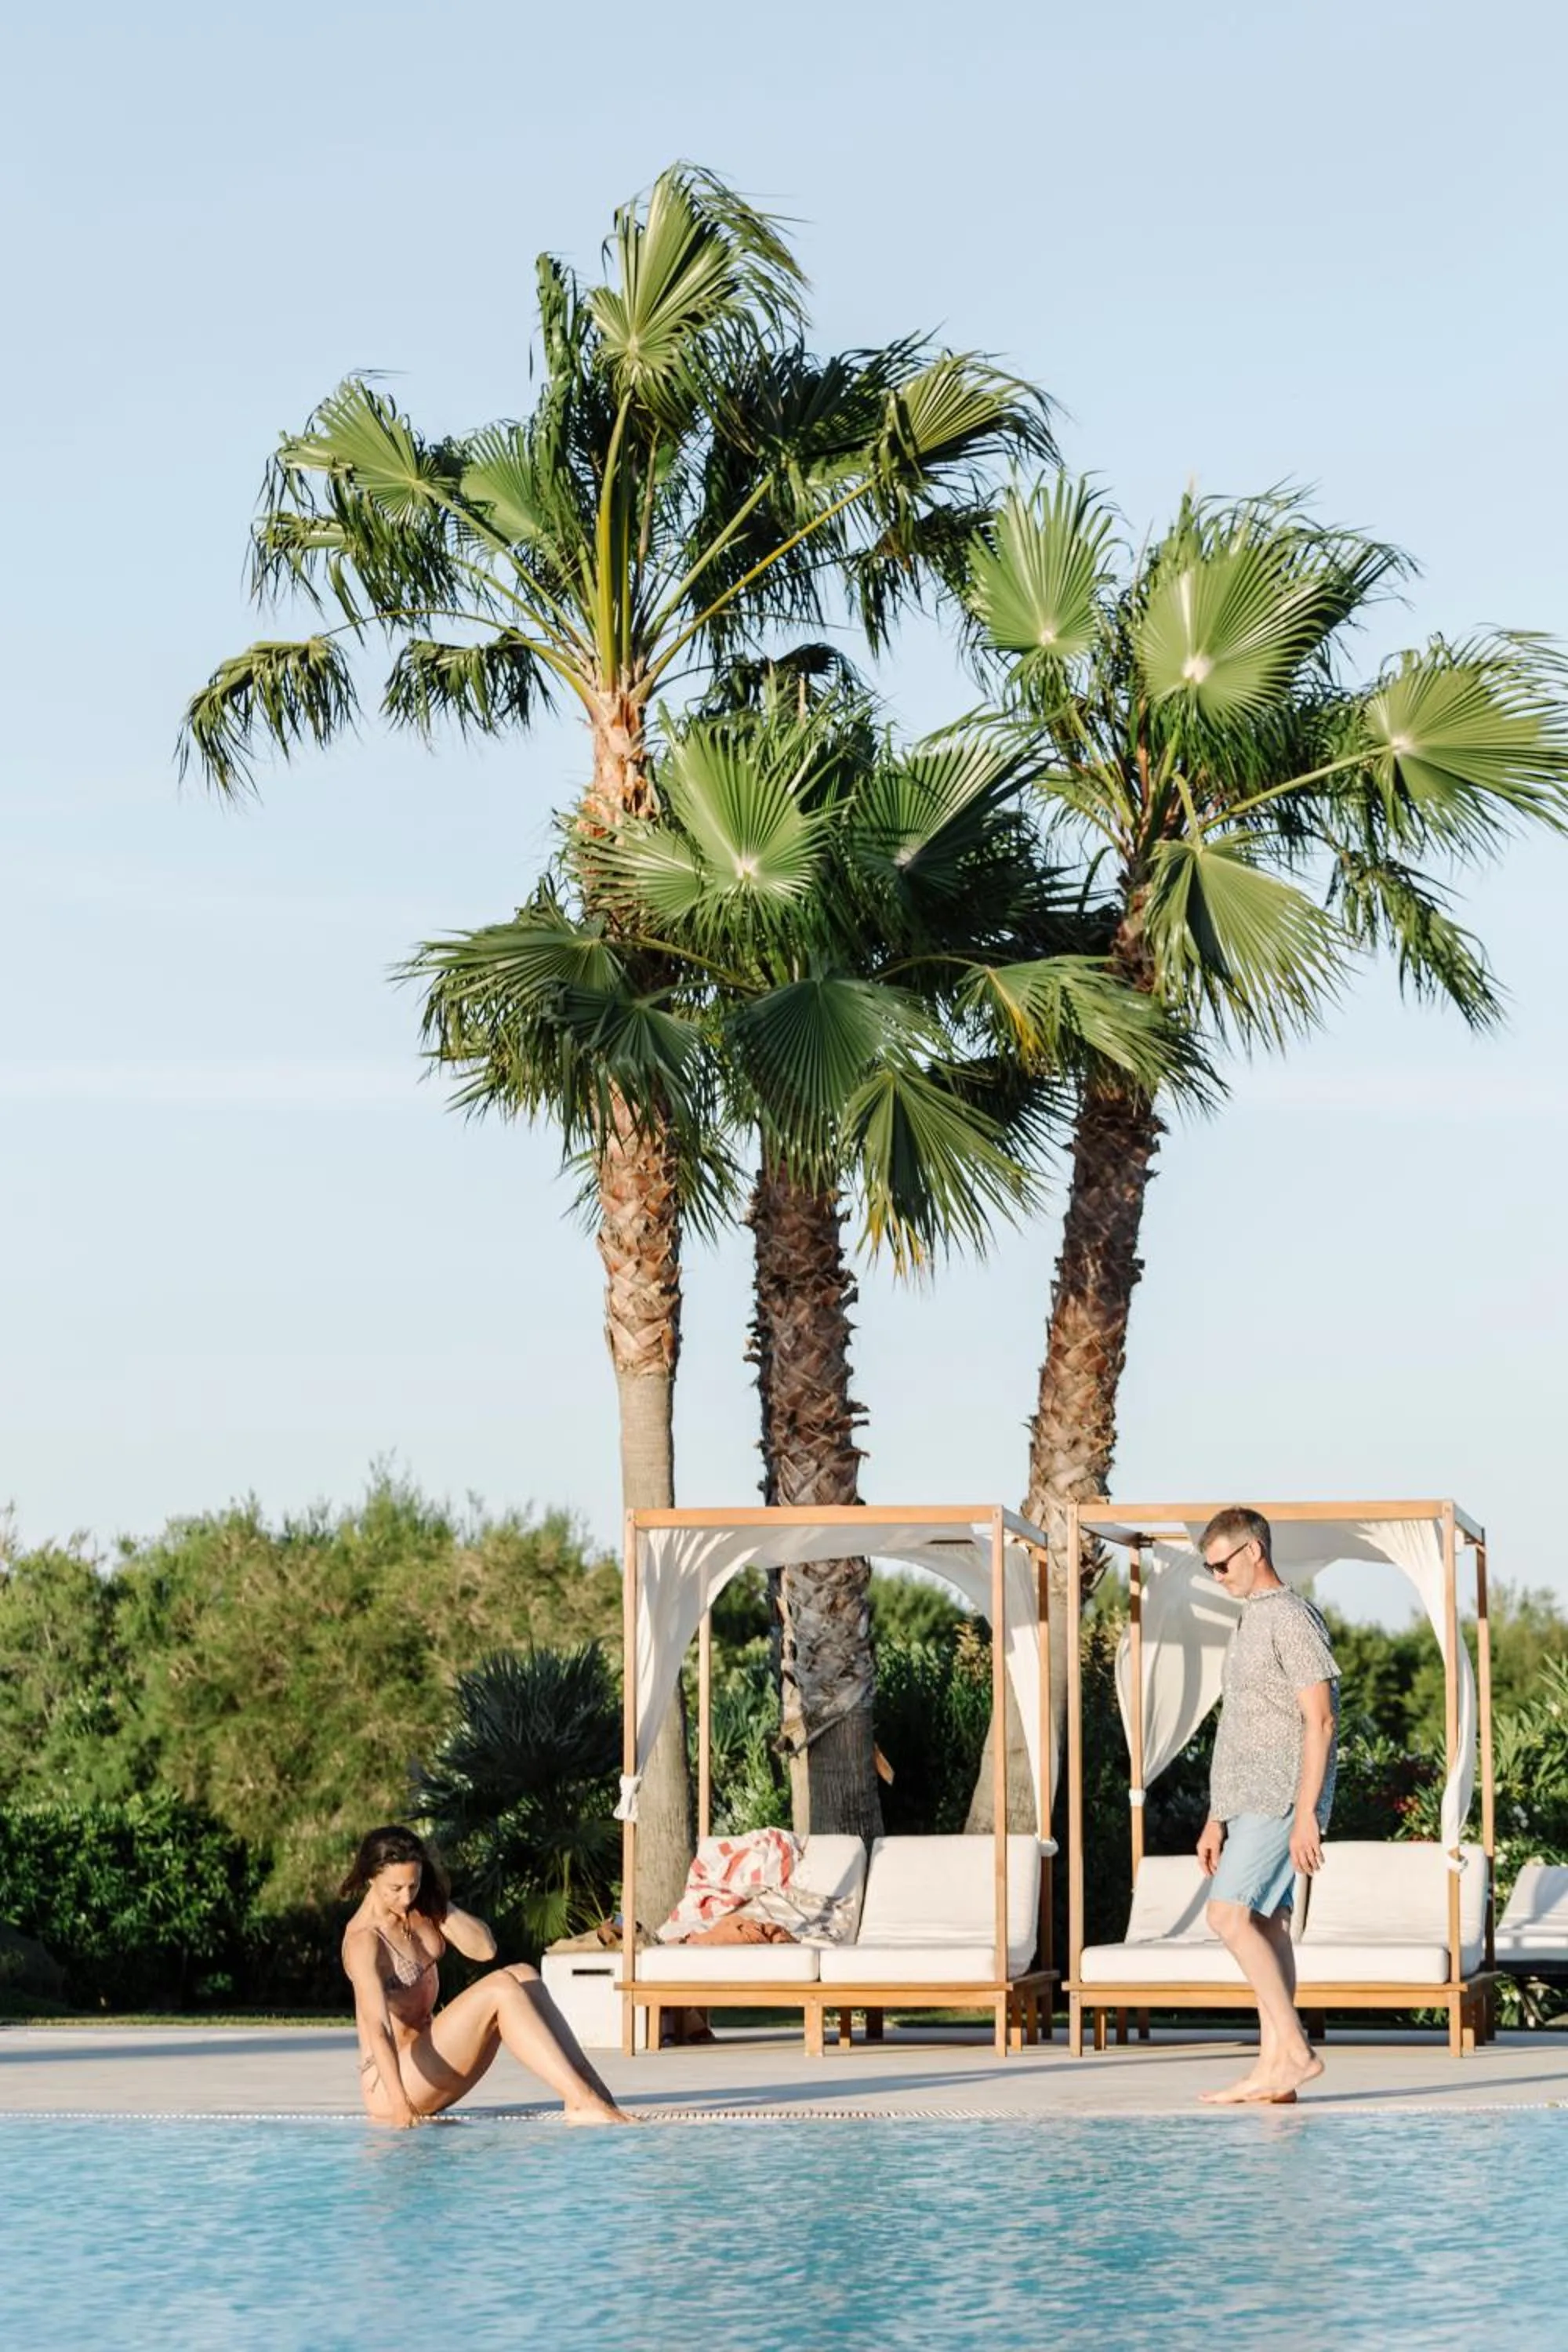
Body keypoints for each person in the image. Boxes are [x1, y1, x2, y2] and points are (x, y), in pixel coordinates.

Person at [339, 1824, 629, 2127]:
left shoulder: (420, 1910)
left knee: (523, 1975)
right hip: (393, 2085)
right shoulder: (364, 1940)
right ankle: (581, 2099)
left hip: (431, 2061)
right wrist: (400, 2107)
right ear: (371, 1878)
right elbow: (378, 2027)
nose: (406, 1897)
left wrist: (441, 1905)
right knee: (501, 1988)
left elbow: (485, 1950)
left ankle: (594, 2090)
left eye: (414, 1885)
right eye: (395, 1889)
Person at [1195, 1508, 1340, 2106]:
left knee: (1226, 1916)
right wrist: (1216, 1816)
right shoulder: (1250, 1619)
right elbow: (1237, 1727)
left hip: (1282, 1794)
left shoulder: (1291, 1617)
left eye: (1221, 1564)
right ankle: (1274, 2068)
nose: (1217, 1576)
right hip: (1247, 1800)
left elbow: (1321, 1720)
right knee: (1267, 1924)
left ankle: (1296, 2050)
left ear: (1254, 1551)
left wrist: (1306, 1813)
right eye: (1209, 1568)